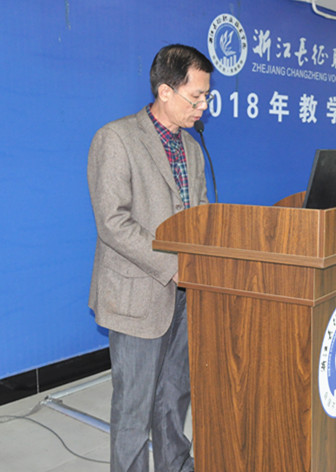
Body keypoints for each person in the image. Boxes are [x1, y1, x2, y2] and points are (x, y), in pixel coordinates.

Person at [87, 44, 213, 472]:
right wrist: (175, 266)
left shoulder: (192, 148)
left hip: (186, 293)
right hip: (138, 294)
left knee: (175, 395)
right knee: (134, 408)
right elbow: (113, 222)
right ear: (164, 91)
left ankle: (175, 465)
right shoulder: (116, 138)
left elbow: (199, 214)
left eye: (206, 96)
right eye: (196, 97)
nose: (203, 106)